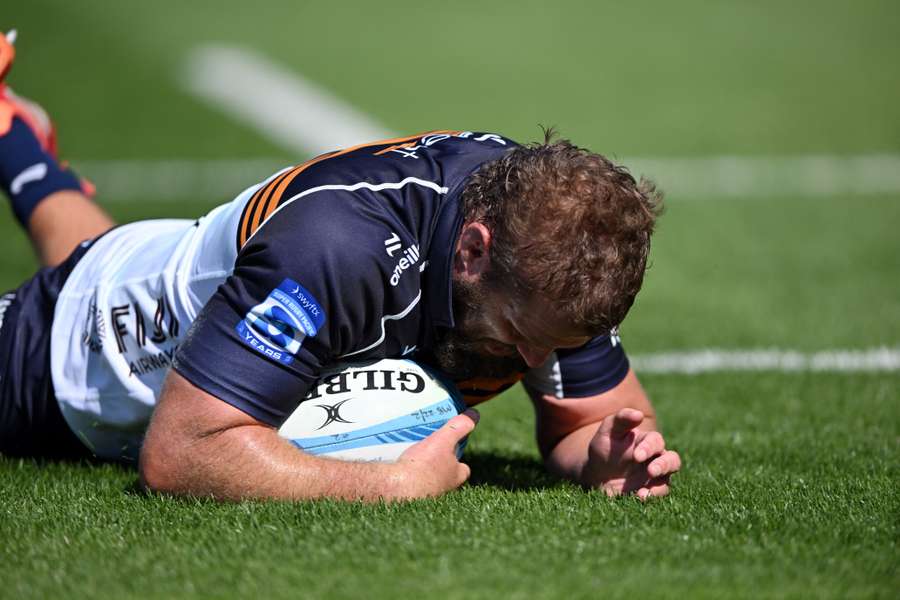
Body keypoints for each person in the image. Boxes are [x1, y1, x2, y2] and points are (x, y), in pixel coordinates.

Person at [0, 31, 681, 501]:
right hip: (69, 351)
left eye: (555, 344)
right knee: (91, 289)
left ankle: (14, 141)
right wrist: (386, 484)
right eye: (521, 332)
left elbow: (599, 417)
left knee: (123, 259)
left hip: (175, 267)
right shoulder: (337, 248)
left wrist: (602, 457)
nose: (536, 358)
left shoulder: (553, 244)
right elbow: (180, 452)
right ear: (472, 250)